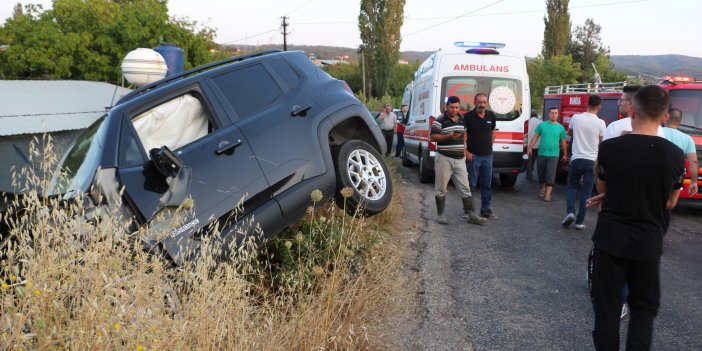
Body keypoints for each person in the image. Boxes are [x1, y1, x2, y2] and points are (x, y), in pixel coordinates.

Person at [586, 85, 685, 350]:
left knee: (607, 308)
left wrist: (615, 195)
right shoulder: (675, 155)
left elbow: (603, 189)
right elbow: (671, 202)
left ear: (631, 109)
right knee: (643, 309)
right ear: (665, 116)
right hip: (647, 241)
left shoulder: (610, 148)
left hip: (610, 239)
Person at [430, 96, 486, 226]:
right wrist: (449, 136)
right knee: (441, 188)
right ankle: (441, 215)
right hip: (444, 158)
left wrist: (465, 148)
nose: (454, 110)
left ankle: (472, 214)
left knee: (465, 187)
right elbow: (432, 137)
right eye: (451, 107)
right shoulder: (439, 120)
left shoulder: (462, 119)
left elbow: (465, 133)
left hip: (460, 159)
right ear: (446, 106)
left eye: (456, 107)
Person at [561, 95, 605, 230]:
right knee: (586, 191)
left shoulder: (576, 118)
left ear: (586, 104)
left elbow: (569, 133)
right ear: (599, 107)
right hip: (592, 161)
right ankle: (579, 222)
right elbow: (601, 141)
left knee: (572, 186)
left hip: (576, 158)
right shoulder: (601, 123)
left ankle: (570, 212)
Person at [464, 93, 498, 220]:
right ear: (475, 102)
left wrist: (490, 144)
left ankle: (485, 210)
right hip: (473, 156)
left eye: (484, 102)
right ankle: (468, 211)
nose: (482, 105)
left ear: (487, 103)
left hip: (487, 156)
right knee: (471, 184)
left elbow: (493, 131)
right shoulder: (468, 117)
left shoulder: (491, 115)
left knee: (487, 184)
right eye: (479, 102)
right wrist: (466, 151)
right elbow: (464, 135)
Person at [527, 107, 566, 202]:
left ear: (558, 115)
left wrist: (565, 154)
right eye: (552, 113)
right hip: (542, 153)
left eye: (555, 113)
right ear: (548, 114)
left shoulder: (561, 128)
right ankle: (542, 188)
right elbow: (535, 136)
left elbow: (563, 141)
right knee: (541, 173)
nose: (553, 115)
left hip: (554, 154)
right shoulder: (542, 125)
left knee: (551, 174)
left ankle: (548, 194)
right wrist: (530, 147)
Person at [663, 108, 699, 197]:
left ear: (665, 117)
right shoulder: (687, 138)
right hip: (676, 175)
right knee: (671, 202)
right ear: (679, 121)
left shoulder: (655, 131)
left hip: (656, 173)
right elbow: (693, 162)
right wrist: (694, 182)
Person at [526, 109, 542, 181]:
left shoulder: (528, 122)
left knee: (529, 160)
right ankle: (540, 175)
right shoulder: (541, 122)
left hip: (530, 144)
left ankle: (529, 175)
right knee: (537, 160)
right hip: (538, 145)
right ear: (536, 115)